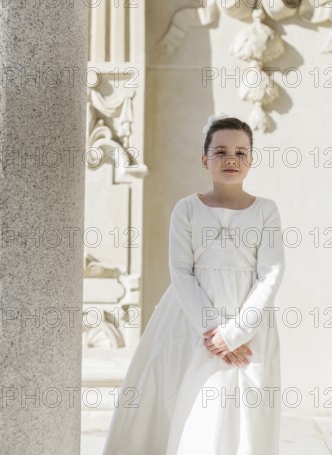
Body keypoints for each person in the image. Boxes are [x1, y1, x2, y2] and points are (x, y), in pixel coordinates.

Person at [102, 113, 286, 455]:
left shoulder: (266, 211)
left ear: (251, 159)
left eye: (241, 152)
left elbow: (271, 273)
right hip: (191, 322)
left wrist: (235, 334)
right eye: (220, 151)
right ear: (205, 159)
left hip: (250, 325)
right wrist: (213, 330)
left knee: (244, 409)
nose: (231, 158)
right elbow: (181, 270)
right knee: (195, 404)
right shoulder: (187, 209)